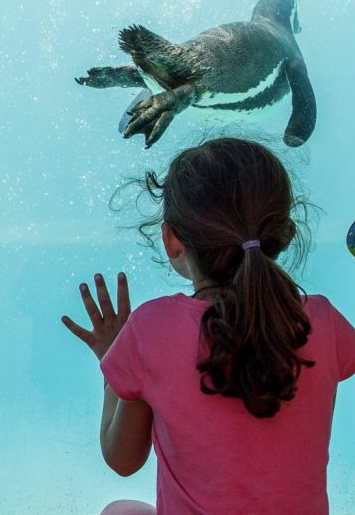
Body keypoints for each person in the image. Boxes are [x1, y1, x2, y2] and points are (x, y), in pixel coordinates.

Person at [62, 138, 355, 514]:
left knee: (119, 511)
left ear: (171, 241)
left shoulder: (150, 330)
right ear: (284, 233)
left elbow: (122, 459)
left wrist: (113, 362)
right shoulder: (322, 322)